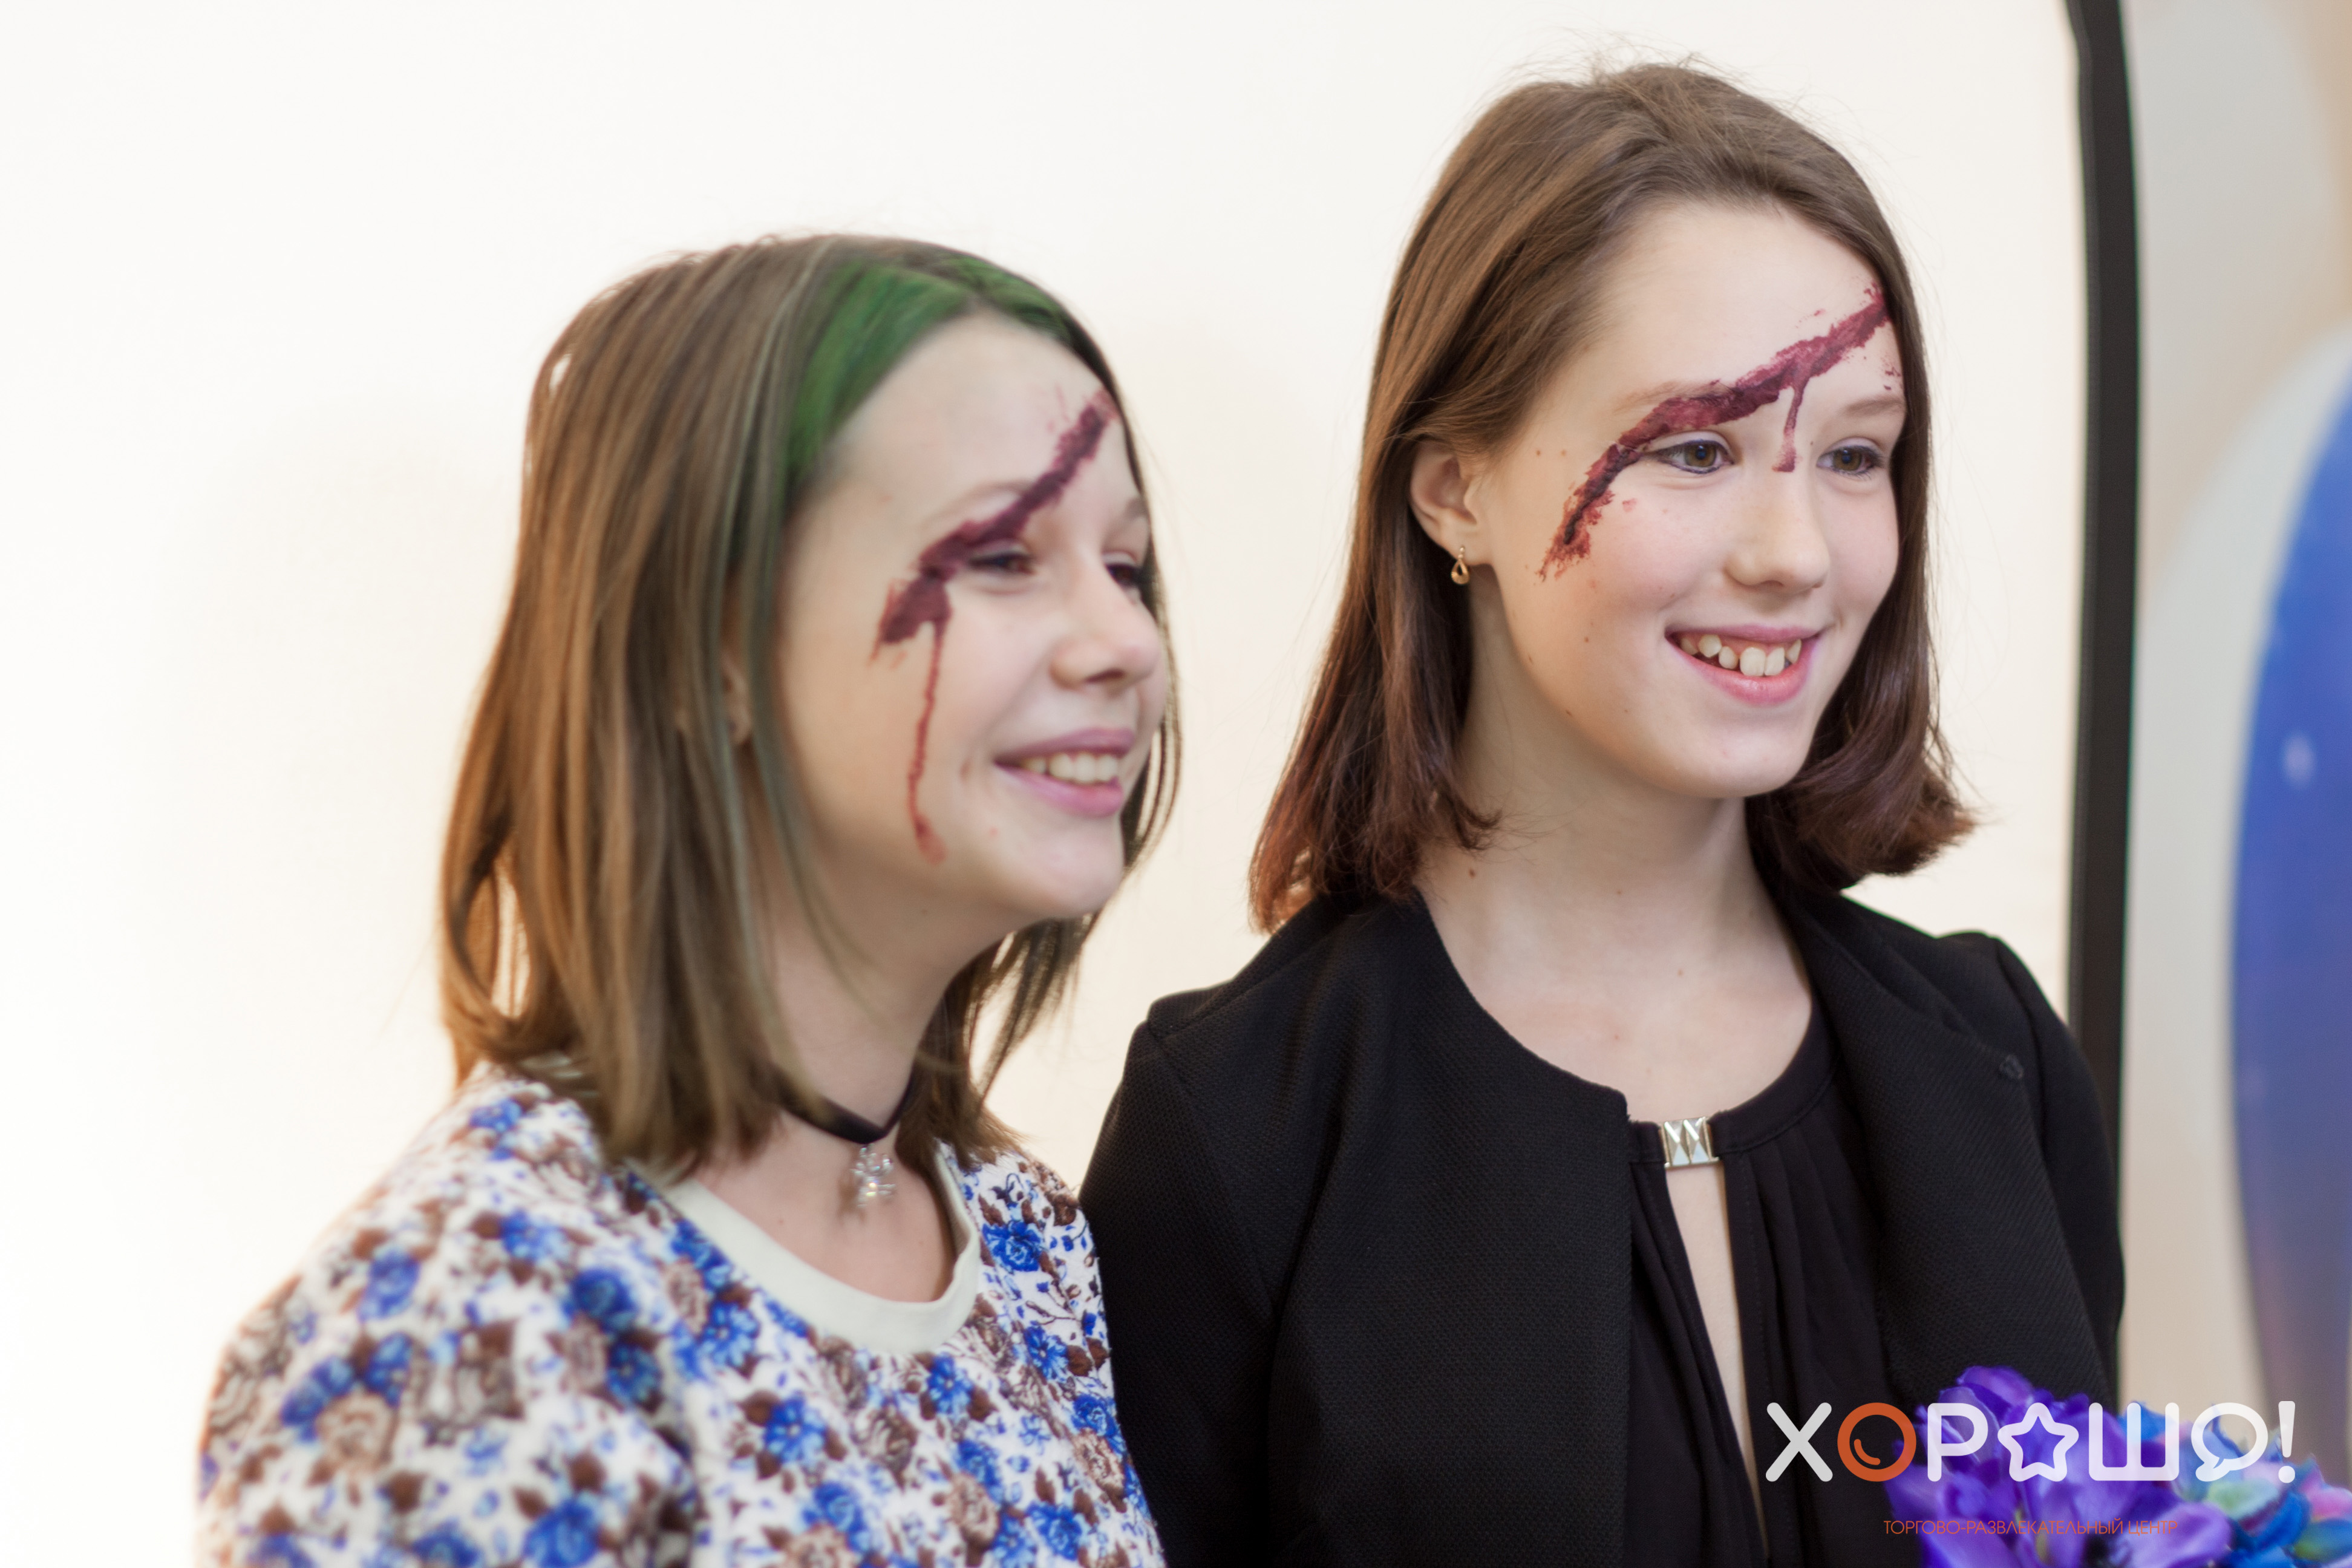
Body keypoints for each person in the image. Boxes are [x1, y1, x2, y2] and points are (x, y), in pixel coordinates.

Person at [1081, 65, 2120, 1567]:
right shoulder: (1236, 1127)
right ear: (1454, 490)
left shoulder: (1997, 1060)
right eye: (1695, 449)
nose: (1797, 553)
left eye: (1855, 456)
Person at [197, 236, 1175, 1568]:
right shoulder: (463, 1321)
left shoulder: (1027, 1245)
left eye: (1126, 567)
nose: (1128, 642)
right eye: (1005, 555)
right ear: (712, 647)